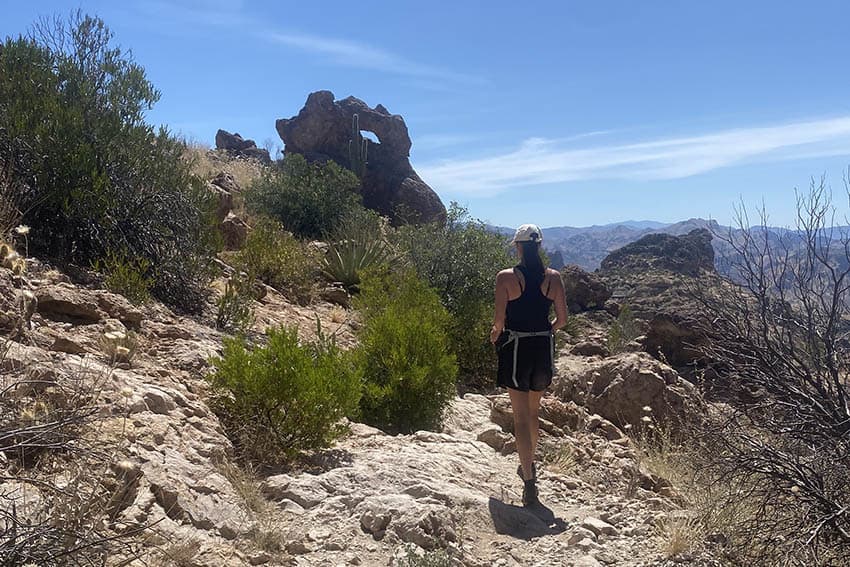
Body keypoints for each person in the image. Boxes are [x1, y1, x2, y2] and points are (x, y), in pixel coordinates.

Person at [490, 223, 568, 507]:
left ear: (518, 247)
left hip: (516, 349)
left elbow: (499, 321)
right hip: (542, 349)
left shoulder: (506, 278)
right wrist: (545, 329)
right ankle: (528, 465)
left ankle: (529, 481)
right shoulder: (554, 278)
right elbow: (562, 320)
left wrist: (495, 335)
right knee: (533, 413)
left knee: (520, 416)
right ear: (540, 247)